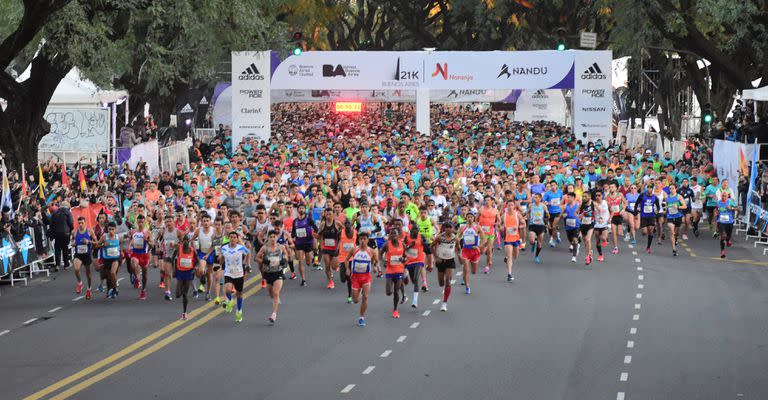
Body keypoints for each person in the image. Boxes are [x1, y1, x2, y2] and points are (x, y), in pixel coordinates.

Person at [344, 232, 379, 326]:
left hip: (366, 278)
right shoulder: (353, 250)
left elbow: (376, 260)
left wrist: (375, 267)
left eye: (364, 239)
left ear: (367, 240)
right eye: (361, 239)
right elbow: (346, 259)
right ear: (358, 240)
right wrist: (347, 269)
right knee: (355, 300)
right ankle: (359, 292)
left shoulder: (371, 251)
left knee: (365, 297)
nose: (362, 241)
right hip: (355, 277)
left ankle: (361, 317)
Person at [254, 230, 286, 323]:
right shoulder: (265, 248)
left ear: (277, 238)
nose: (272, 238)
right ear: (268, 238)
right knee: (271, 293)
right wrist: (264, 261)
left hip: (278, 272)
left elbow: (286, 256)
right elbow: (256, 258)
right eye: (271, 237)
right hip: (268, 273)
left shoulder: (281, 247)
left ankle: (274, 314)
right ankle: (275, 298)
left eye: (274, 237)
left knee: (276, 293)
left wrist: (284, 260)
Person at [219, 231, 250, 323]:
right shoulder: (224, 248)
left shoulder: (240, 248)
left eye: (234, 237)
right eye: (231, 237)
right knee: (227, 289)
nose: (232, 239)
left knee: (239, 294)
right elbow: (221, 258)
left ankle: (239, 311)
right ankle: (230, 300)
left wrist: (246, 264)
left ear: (237, 239)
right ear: (228, 238)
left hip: (239, 273)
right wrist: (219, 264)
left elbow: (248, 253)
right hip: (228, 272)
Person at [172, 234, 199, 320]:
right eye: (184, 241)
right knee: (177, 295)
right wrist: (174, 270)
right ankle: (182, 291)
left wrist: (195, 268)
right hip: (180, 273)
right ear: (182, 242)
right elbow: (173, 259)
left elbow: (197, 261)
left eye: (187, 241)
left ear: (189, 242)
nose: (186, 242)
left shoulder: (192, 250)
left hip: (188, 273)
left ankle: (184, 313)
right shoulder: (178, 249)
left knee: (185, 294)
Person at [380, 227, 406, 318]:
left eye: (395, 234)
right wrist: (384, 262)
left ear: (398, 235)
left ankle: (395, 310)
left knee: (396, 291)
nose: (393, 235)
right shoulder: (387, 245)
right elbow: (380, 254)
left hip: (399, 270)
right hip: (390, 270)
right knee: (388, 292)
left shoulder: (402, 245)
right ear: (390, 236)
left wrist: (403, 259)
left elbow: (406, 257)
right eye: (391, 234)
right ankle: (395, 305)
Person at [433, 220, 457, 311]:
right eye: (446, 227)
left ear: (453, 228)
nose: (448, 229)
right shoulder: (439, 237)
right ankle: (443, 283)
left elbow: (458, 248)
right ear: (444, 228)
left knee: (448, 281)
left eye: (450, 227)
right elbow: (432, 246)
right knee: (441, 283)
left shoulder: (455, 238)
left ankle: (444, 303)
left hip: (450, 260)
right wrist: (436, 257)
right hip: (441, 261)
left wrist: (459, 255)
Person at [458, 212, 484, 294]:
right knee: (466, 268)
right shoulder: (463, 227)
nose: (469, 218)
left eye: (471, 217)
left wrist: (479, 246)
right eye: (468, 217)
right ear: (466, 218)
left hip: (475, 251)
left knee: (473, 271)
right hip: (465, 250)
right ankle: (467, 287)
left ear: (473, 218)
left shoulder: (477, 227)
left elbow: (484, 239)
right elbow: (457, 237)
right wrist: (458, 245)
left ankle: (466, 275)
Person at [316, 207, 342, 289]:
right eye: (326, 214)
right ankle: (330, 282)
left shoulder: (337, 223)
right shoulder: (323, 224)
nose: (328, 216)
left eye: (330, 214)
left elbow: (345, 233)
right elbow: (318, 235)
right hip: (326, 247)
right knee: (327, 265)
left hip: (335, 248)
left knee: (334, 267)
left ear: (333, 215)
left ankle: (337, 265)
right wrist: (314, 234)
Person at [129, 215, 152, 300]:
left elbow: (152, 244)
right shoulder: (133, 232)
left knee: (145, 274)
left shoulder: (147, 232)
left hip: (144, 254)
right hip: (135, 253)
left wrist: (147, 240)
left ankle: (143, 290)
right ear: (137, 222)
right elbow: (131, 240)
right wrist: (129, 246)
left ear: (144, 222)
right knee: (134, 263)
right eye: (139, 222)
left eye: (142, 222)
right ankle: (137, 279)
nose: (140, 224)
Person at [404, 223, 427, 308]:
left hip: (419, 260)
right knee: (413, 281)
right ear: (411, 231)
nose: (415, 232)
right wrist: (410, 246)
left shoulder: (421, 237)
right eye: (413, 230)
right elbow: (403, 247)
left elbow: (426, 246)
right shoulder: (407, 237)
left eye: (417, 230)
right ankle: (408, 278)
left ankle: (415, 301)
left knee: (415, 279)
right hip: (409, 260)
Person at [71, 216, 94, 299]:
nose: (80, 225)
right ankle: (80, 283)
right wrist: (72, 243)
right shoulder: (74, 232)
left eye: (82, 223)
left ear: (85, 223)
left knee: (88, 275)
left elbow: (96, 242)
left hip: (87, 254)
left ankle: (89, 289)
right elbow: (72, 241)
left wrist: (89, 241)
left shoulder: (90, 231)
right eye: (79, 223)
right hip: (78, 254)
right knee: (76, 269)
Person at [97, 222, 121, 299]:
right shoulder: (104, 237)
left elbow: (122, 245)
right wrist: (103, 245)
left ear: (115, 230)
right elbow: (97, 245)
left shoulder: (118, 237)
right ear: (107, 229)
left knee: (113, 273)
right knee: (108, 278)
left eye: (112, 229)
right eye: (109, 229)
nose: (111, 231)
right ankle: (110, 291)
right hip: (106, 260)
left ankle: (115, 288)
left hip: (115, 259)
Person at [635, 184, 661, 254]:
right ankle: (643, 232)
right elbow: (637, 203)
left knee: (651, 231)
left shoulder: (655, 197)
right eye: (648, 188)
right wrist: (635, 212)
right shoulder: (642, 195)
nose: (649, 189)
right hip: (643, 216)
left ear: (652, 189)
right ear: (647, 189)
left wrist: (657, 211)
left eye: (651, 188)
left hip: (651, 216)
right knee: (644, 232)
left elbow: (658, 206)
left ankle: (648, 247)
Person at [500, 201, 522, 281]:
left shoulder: (517, 214)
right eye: (509, 205)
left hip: (516, 238)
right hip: (508, 239)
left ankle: (507, 258)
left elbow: (523, 224)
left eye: (512, 205)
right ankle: (509, 274)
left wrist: (518, 227)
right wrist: (501, 228)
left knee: (515, 256)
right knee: (510, 257)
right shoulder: (504, 216)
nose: (510, 206)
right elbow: (499, 224)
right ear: (507, 206)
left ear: (514, 206)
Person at [51, 201, 74, 271]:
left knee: (57, 249)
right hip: (65, 233)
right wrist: (71, 229)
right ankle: (66, 264)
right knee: (65, 248)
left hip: (57, 233)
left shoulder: (55, 212)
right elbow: (71, 222)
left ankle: (57, 265)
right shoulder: (67, 212)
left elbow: (52, 223)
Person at [527, 193, 549, 264]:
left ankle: (536, 256)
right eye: (534, 197)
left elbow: (548, 215)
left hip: (541, 226)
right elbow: (528, 212)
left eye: (536, 197)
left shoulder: (543, 206)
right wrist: (527, 217)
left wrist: (547, 216)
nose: (535, 199)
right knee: (531, 241)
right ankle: (534, 242)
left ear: (540, 198)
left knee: (539, 244)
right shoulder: (531, 205)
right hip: (532, 225)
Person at [665, 184, 686, 256]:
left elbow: (684, 206)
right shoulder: (667, 197)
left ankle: (676, 238)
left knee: (676, 232)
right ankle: (674, 249)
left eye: (673, 188)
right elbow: (666, 207)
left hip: (678, 216)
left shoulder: (679, 197)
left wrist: (678, 206)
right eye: (670, 188)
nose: (671, 190)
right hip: (670, 217)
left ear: (675, 189)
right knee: (671, 231)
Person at [714, 191, 736, 258]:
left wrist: (731, 208)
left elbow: (739, 209)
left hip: (729, 222)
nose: (723, 197)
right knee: (723, 235)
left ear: (727, 196)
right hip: (721, 222)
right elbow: (716, 209)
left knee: (728, 236)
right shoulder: (719, 202)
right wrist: (716, 213)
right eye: (722, 195)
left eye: (725, 196)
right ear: (721, 196)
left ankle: (728, 240)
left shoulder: (730, 201)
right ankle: (722, 251)